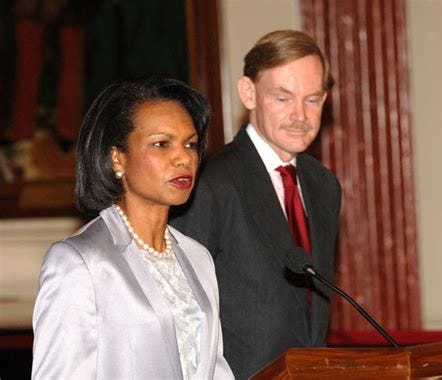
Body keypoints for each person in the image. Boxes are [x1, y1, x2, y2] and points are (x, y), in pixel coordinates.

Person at [31, 75, 234, 379]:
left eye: (190, 144)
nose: (184, 157)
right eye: (161, 144)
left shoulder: (198, 257)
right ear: (117, 158)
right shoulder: (78, 262)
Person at [171, 30, 342, 378]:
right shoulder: (211, 183)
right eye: (282, 98)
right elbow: (182, 314)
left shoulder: (324, 186)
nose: (301, 115)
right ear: (249, 93)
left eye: (313, 99)